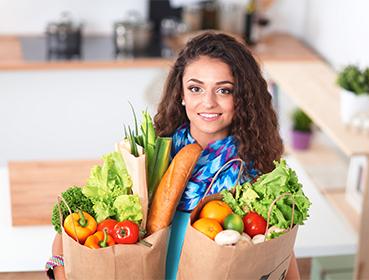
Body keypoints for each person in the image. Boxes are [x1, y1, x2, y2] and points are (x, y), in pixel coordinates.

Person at [48, 31, 300, 279]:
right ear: (181, 94)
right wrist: (58, 267)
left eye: (224, 90)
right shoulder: (150, 157)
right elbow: (74, 226)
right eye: (195, 88)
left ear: (242, 98)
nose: (209, 102)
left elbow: (278, 252)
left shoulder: (254, 171)